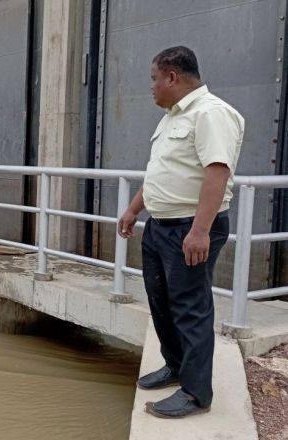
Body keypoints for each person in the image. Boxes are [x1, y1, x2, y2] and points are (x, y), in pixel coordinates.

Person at [117, 46, 244, 419]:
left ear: (172, 77)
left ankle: (195, 393)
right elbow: (162, 170)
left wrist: (200, 230)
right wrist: (134, 208)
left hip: (191, 228)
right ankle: (175, 365)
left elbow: (216, 172)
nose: (152, 87)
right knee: (161, 301)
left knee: (190, 307)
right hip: (160, 226)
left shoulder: (211, 114)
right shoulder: (173, 117)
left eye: (154, 79)